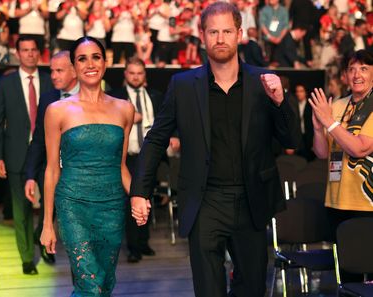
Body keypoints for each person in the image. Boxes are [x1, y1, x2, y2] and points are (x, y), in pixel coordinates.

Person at [130, 2, 299, 297]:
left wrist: (280, 102)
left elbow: (291, 141)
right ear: (202, 35)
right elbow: (156, 138)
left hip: (251, 201)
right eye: (213, 32)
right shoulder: (182, 85)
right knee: (208, 289)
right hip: (204, 201)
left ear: (239, 34)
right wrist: (139, 191)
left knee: (252, 288)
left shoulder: (264, 82)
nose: (220, 38)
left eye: (227, 31)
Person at [40, 36, 134, 296]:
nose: (90, 64)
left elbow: (122, 167)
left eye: (96, 57)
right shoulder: (57, 110)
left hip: (112, 206)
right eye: (82, 58)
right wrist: (48, 223)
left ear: (105, 63)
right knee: (90, 283)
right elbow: (51, 170)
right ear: (74, 66)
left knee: (104, 282)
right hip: (73, 206)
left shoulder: (124, 109)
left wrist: (138, 197)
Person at [0, 36, 52, 275]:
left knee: (50, 204)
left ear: (39, 53)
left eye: (34, 50)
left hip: (45, 154)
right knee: (21, 208)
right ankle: (26, 257)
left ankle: (42, 237)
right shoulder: (6, 84)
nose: (29, 54)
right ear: (17, 53)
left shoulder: (49, 81)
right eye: (25, 50)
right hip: (16, 153)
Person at [309, 49, 373, 282]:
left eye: (364, 69)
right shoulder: (337, 105)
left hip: (368, 205)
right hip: (337, 201)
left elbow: (359, 148)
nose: (357, 74)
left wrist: (330, 122)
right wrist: (318, 128)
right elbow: (322, 152)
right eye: (352, 69)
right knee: (347, 276)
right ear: (345, 75)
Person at [110, 56, 179, 263]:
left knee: (146, 198)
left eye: (139, 73)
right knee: (132, 199)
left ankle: (143, 242)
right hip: (127, 156)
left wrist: (174, 135)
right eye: (132, 73)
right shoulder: (116, 97)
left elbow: (169, 119)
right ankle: (133, 247)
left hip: (151, 157)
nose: (136, 77)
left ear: (145, 75)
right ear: (125, 74)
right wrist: (130, 117)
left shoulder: (155, 96)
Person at [24, 51, 78, 265]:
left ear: (74, 70)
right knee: (51, 209)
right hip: (52, 169)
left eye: (59, 70)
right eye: (51, 71)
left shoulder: (90, 94)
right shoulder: (47, 98)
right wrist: (30, 175)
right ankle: (47, 242)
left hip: (81, 172)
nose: (53, 76)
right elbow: (38, 140)